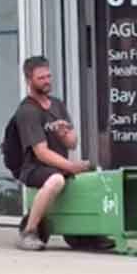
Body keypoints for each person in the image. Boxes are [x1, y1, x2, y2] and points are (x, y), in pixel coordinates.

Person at [14, 56, 91, 251]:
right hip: (34, 168)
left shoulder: (57, 104)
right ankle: (29, 232)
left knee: (92, 176)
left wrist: (63, 134)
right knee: (57, 180)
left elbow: (73, 143)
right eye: (41, 78)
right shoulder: (28, 111)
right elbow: (41, 153)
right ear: (29, 80)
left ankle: (86, 233)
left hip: (58, 166)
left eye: (49, 76)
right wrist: (72, 167)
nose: (47, 81)